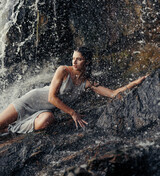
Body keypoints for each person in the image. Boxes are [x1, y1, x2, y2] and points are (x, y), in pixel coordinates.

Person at [0, 46, 148, 134]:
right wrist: (73, 113)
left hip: (44, 112)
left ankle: (10, 130)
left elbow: (112, 94)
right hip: (30, 102)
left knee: (47, 120)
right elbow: (52, 98)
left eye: (79, 59)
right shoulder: (63, 70)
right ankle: (6, 128)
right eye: (73, 58)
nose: (74, 62)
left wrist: (136, 82)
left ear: (87, 62)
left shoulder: (87, 82)